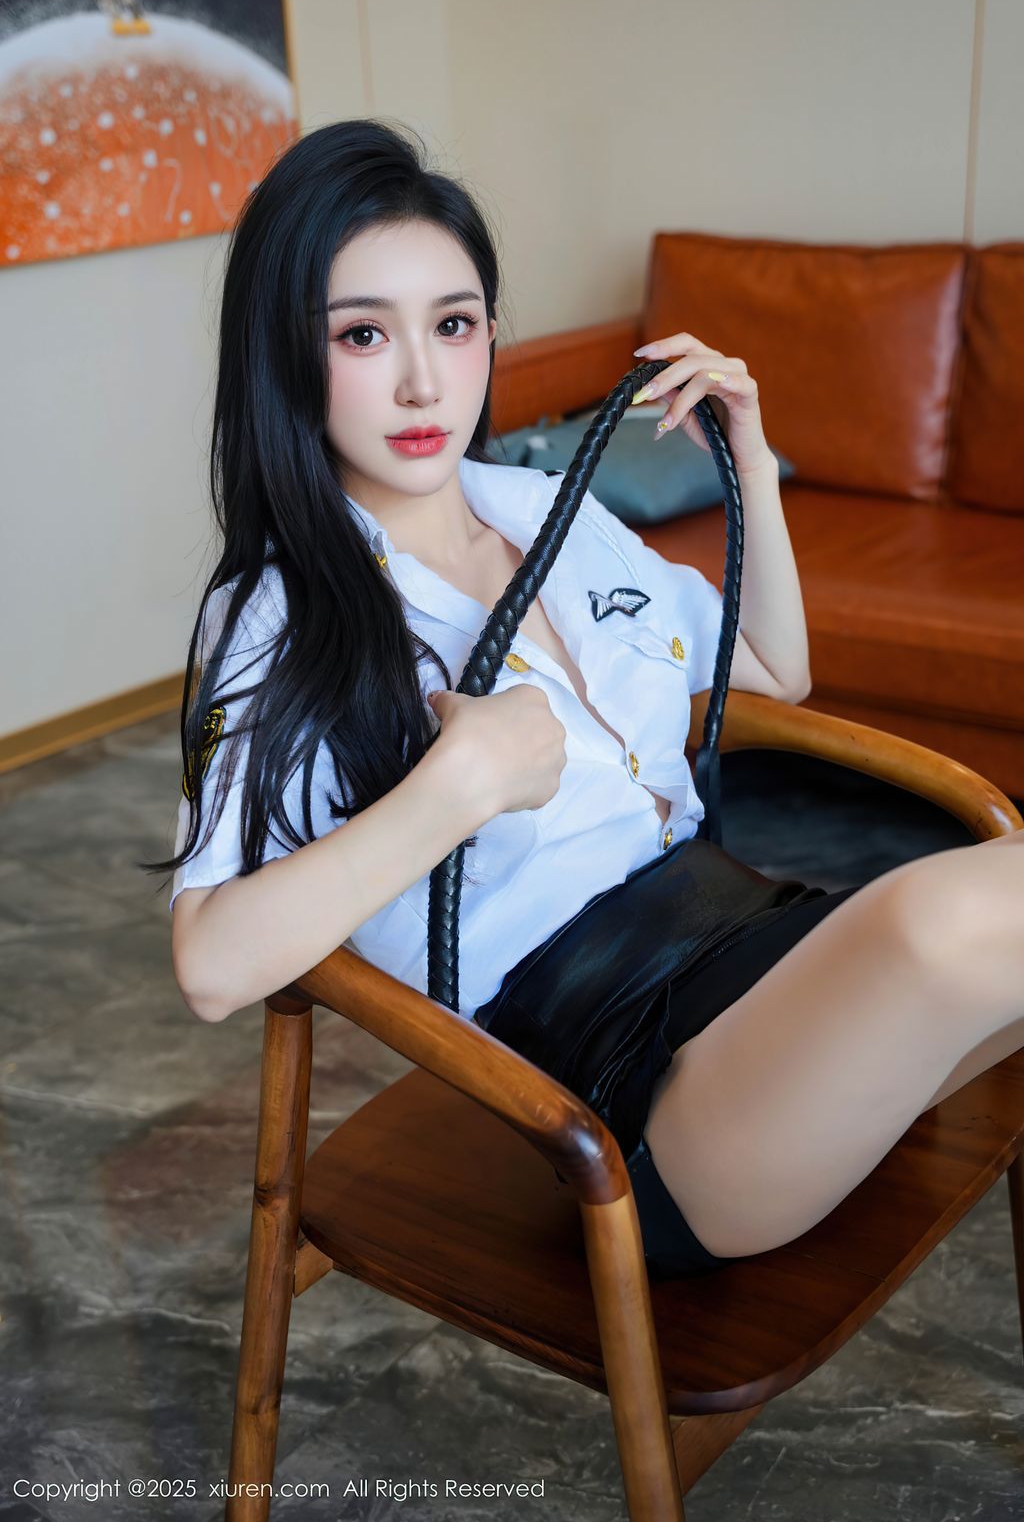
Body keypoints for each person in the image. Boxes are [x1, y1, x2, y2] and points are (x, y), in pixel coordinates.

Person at [145, 117, 1024, 1279]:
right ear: (285, 356)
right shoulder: (275, 615)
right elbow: (210, 966)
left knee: (965, 906)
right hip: (638, 1115)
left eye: (452, 324)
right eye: (362, 334)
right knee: (932, 921)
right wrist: (453, 791)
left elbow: (772, 672)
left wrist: (748, 458)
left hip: (771, 966)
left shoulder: (545, 507)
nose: (422, 381)